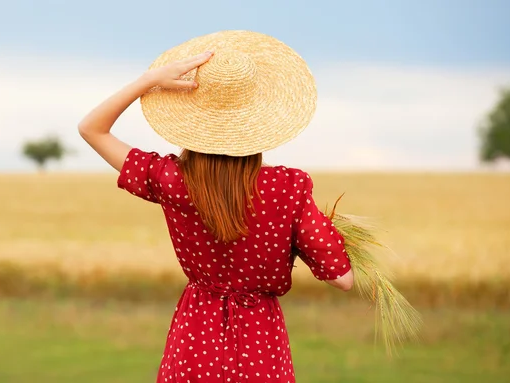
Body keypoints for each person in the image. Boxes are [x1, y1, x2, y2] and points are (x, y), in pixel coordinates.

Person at [79, 30, 353, 383]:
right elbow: (342, 279)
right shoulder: (289, 189)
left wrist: (148, 81)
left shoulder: (171, 180)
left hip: (195, 337)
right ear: (261, 120)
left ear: (194, 121)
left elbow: (91, 129)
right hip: (261, 345)